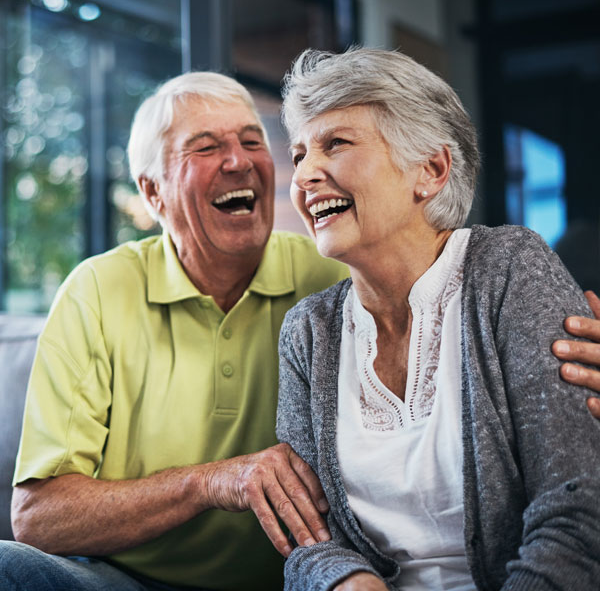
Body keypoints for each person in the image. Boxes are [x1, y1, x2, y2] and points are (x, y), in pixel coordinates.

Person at [0, 72, 349, 591]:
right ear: (152, 192)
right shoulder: (97, 290)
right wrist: (211, 481)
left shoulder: (331, 278)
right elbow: (38, 516)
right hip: (122, 579)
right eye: (205, 147)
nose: (239, 160)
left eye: (252, 141)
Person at [276, 47, 600, 591]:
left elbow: (578, 509)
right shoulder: (308, 331)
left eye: (337, 144)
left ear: (430, 170)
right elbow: (311, 540)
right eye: (300, 154)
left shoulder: (511, 269)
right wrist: (347, 581)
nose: (306, 173)